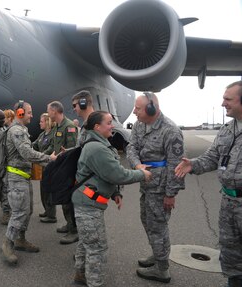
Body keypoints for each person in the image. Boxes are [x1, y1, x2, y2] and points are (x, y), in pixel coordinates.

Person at [72, 111, 152, 287]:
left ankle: (81, 275)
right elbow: (117, 174)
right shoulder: (97, 148)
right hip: (88, 205)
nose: (113, 126)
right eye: (108, 123)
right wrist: (142, 174)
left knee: (87, 242)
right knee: (97, 248)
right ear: (97, 127)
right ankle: (95, 282)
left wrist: (116, 194)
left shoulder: (99, 144)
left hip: (88, 202)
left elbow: (104, 174)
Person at [175, 81, 242, 287]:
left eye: (228, 99)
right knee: (231, 254)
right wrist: (192, 165)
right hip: (229, 202)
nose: (223, 103)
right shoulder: (226, 130)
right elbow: (213, 157)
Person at [126, 92, 185, 283]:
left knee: (158, 226)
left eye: (138, 108)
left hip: (161, 189)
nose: (134, 111)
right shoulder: (139, 125)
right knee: (147, 220)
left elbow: (177, 166)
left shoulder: (170, 130)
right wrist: (136, 165)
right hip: (146, 184)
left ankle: (162, 269)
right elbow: (131, 148)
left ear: (152, 108)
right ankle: (157, 253)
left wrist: (170, 194)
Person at [1, 101, 57, 265]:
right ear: (19, 113)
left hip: (23, 176)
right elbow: (26, 152)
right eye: (29, 112)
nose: (32, 115)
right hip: (16, 177)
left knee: (28, 210)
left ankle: (20, 240)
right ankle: (7, 244)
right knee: (20, 212)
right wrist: (49, 159)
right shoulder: (17, 131)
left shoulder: (21, 130)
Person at [47, 101, 79, 244]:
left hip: (68, 168)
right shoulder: (57, 127)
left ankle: (74, 231)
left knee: (68, 200)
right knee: (63, 198)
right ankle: (69, 224)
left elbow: (72, 151)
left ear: (54, 111)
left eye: (49, 111)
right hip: (59, 167)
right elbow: (55, 147)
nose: (48, 114)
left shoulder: (70, 126)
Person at [32, 113, 55, 223]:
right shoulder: (42, 135)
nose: (39, 123)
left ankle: (51, 215)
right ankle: (47, 210)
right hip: (42, 166)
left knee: (49, 191)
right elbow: (34, 145)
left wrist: (40, 156)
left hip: (50, 167)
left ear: (47, 122)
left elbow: (51, 148)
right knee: (43, 191)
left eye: (41, 121)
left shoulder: (53, 134)